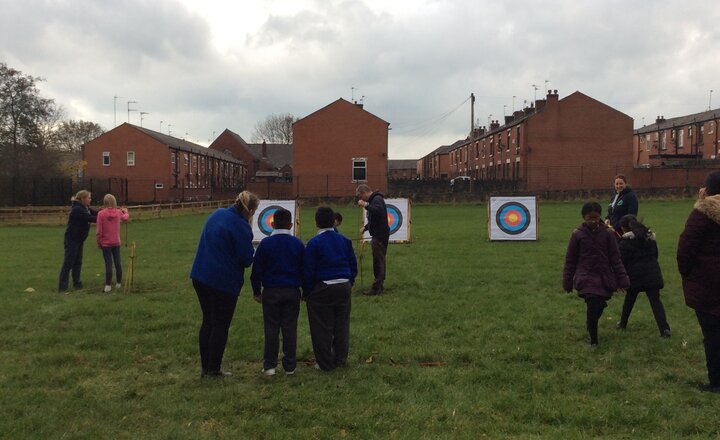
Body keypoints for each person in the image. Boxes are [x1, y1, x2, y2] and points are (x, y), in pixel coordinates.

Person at [190, 191, 259, 378]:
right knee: (220, 325)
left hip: (200, 276)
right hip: (222, 283)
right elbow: (246, 259)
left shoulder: (217, 213)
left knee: (208, 321)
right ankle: (214, 369)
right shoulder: (242, 227)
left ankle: (205, 367)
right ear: (250, 210)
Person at [563, 201, 630, 346]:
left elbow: (615, 258)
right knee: (593, 302)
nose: (593, 221)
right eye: (589, 218)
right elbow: (570, 260)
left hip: (603, 275)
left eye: (595, 218)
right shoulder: (577, 235)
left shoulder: (608, 234)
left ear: (599, 216)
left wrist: (622, 280)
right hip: (585, 275)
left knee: (599, 305)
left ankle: (591, 320)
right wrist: (567, 282)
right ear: (583, 217)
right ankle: (594, 340)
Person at [677, 171, 720, 393]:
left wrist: (688, 274)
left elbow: (686, 249)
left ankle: (716, 382)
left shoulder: (702, 214)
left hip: (708, 285)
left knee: (713, 335)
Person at [251, 208, 305, 376]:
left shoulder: (265, 244)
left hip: (271, 291)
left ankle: (270, 366)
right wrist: (305, 290)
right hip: (292, 291)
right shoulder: (297, 243)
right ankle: (289, 366)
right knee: (290, 328)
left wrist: (256, 291)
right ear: (291, 224)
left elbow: (256, 270)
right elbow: (305, 269)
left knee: (271, 328)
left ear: (272, 223)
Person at [303, 207, 358, 371]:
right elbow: (352, 265)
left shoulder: (313, 243)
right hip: (343, 286)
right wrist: (350, 282)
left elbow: (308, 270)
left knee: (321, 326)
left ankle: (325, 362)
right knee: (341, 325)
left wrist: (307, 291)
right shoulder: (345, 240)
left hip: (323, 287)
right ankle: (340, 359)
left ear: (316, 223)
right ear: (334, 221)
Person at [615, 215, 671, 337]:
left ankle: (623, 323)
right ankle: (664, 328)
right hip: (652, 274)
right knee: (656, 302)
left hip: (634, 276)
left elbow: (622, 262)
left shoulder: (624, 242)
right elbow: (655, 255)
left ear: (623, 228)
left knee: (629, 300)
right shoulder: (650, 238)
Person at [58, 190, 98, 293]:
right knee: (69, 262)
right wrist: (104, 218)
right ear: (83, 199)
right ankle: (63, 287)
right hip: (72, 239)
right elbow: (90, 218)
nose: (90, 199)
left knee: (78, 262)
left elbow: (97, 213)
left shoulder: (86, 208)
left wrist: (109, 212)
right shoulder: (77, 209)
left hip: (79, 240)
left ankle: (77, 283)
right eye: (88, 198)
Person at [356, 184, 389, 295]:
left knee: (378, 261)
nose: (361, 199)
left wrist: (365, 204)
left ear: (364, 193)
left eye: (361, 197)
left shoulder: (376, 199)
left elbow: (378, 211)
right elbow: (375, 218)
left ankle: (376, 288)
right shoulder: (375, 199)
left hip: (379, 236)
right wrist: (365, 228)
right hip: (379, 234)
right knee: (379, 260)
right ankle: (380, 286)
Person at [96, 194, 130, 293]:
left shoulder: (101, 214)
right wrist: (126, 212)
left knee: (108, 263)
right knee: (117, 262)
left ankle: (108, 285)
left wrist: (99, 242)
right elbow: (126, 218)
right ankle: (118, 283)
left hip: (106, 243)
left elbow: (99, 231)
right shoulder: (118, 212)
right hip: (116, 242)